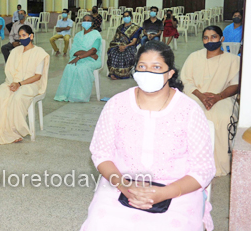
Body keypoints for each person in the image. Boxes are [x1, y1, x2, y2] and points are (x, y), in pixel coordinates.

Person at [80, 41, 216, 231]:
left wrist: (165, 193)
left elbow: (203, 168)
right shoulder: (117, 105)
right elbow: (101, 154)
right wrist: (125, 187)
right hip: (121, 183)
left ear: (170, 73)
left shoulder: (189, 110)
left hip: (178, 190)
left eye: (157, 67)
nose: (148, 73)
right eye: (142, 67)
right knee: (100, 224)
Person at [181, 26, 240, 177]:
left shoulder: (233, 60)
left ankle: (220, 163)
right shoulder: (194, 57)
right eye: (206, 38)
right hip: (196, 94)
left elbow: (235, 84)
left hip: (223, 97)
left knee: (223, 117)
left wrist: (218, 97)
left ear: (222, 39)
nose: (209, 41)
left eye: (213, 37)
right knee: (191, 114)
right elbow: (186, 81)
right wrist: (201, 96)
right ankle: (191, 164)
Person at [0, 25, 50, 144]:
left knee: (17, 97)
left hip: (31, 84)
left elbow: (38, 76)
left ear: (31, 36)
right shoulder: (15, 51)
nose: (22, 38)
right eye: (20, 36)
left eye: (24, 35)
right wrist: (12, 83)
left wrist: (19, 84)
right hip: (12, 82)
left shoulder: (39, 53)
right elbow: (8, 70)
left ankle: (15, 131)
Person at [54, 15, 102, 102]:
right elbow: (74, 51)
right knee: (70, 67)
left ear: (92, 23)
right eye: (84, 20)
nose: (86, 22)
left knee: (83, 68)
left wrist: (81, 56)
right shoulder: (78, 35)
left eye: (88, 20)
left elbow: (94, 50)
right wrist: (88, 53)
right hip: (83, 57)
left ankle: (81, 95)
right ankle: (69, 94)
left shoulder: (96, 34)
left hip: (93, 60)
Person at [107, 10, 142, 80]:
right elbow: (115, 39)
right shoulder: (120, 28)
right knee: (113, 52)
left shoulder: (135, 28)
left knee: (124, 53)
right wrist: (119, 46)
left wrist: (125, 46)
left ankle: (123, 73)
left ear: (131, 17)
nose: (126, 18)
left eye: (127, 16)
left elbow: (134, 42)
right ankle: (113, 73)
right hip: (118, 45)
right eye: (124, 16)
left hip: (129, 46)